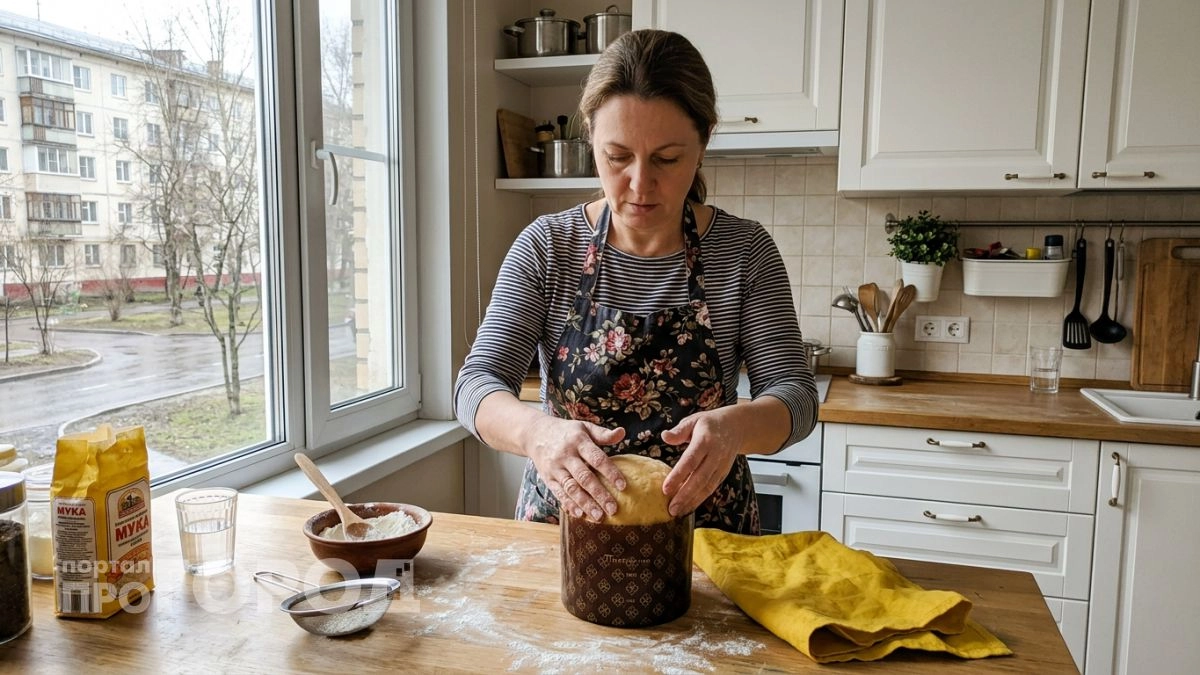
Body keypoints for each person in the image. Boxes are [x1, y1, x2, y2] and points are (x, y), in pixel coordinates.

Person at [454, 29, 818, 535]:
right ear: (590, 136)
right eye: (617, 156)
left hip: (707, 539)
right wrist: (537, 433)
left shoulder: (743, 251)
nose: (640, 184)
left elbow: (795, 394)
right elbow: (476, 386)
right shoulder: (547, 247)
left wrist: (737, 427)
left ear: (704, 140)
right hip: (566, 532)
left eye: (667, 159)